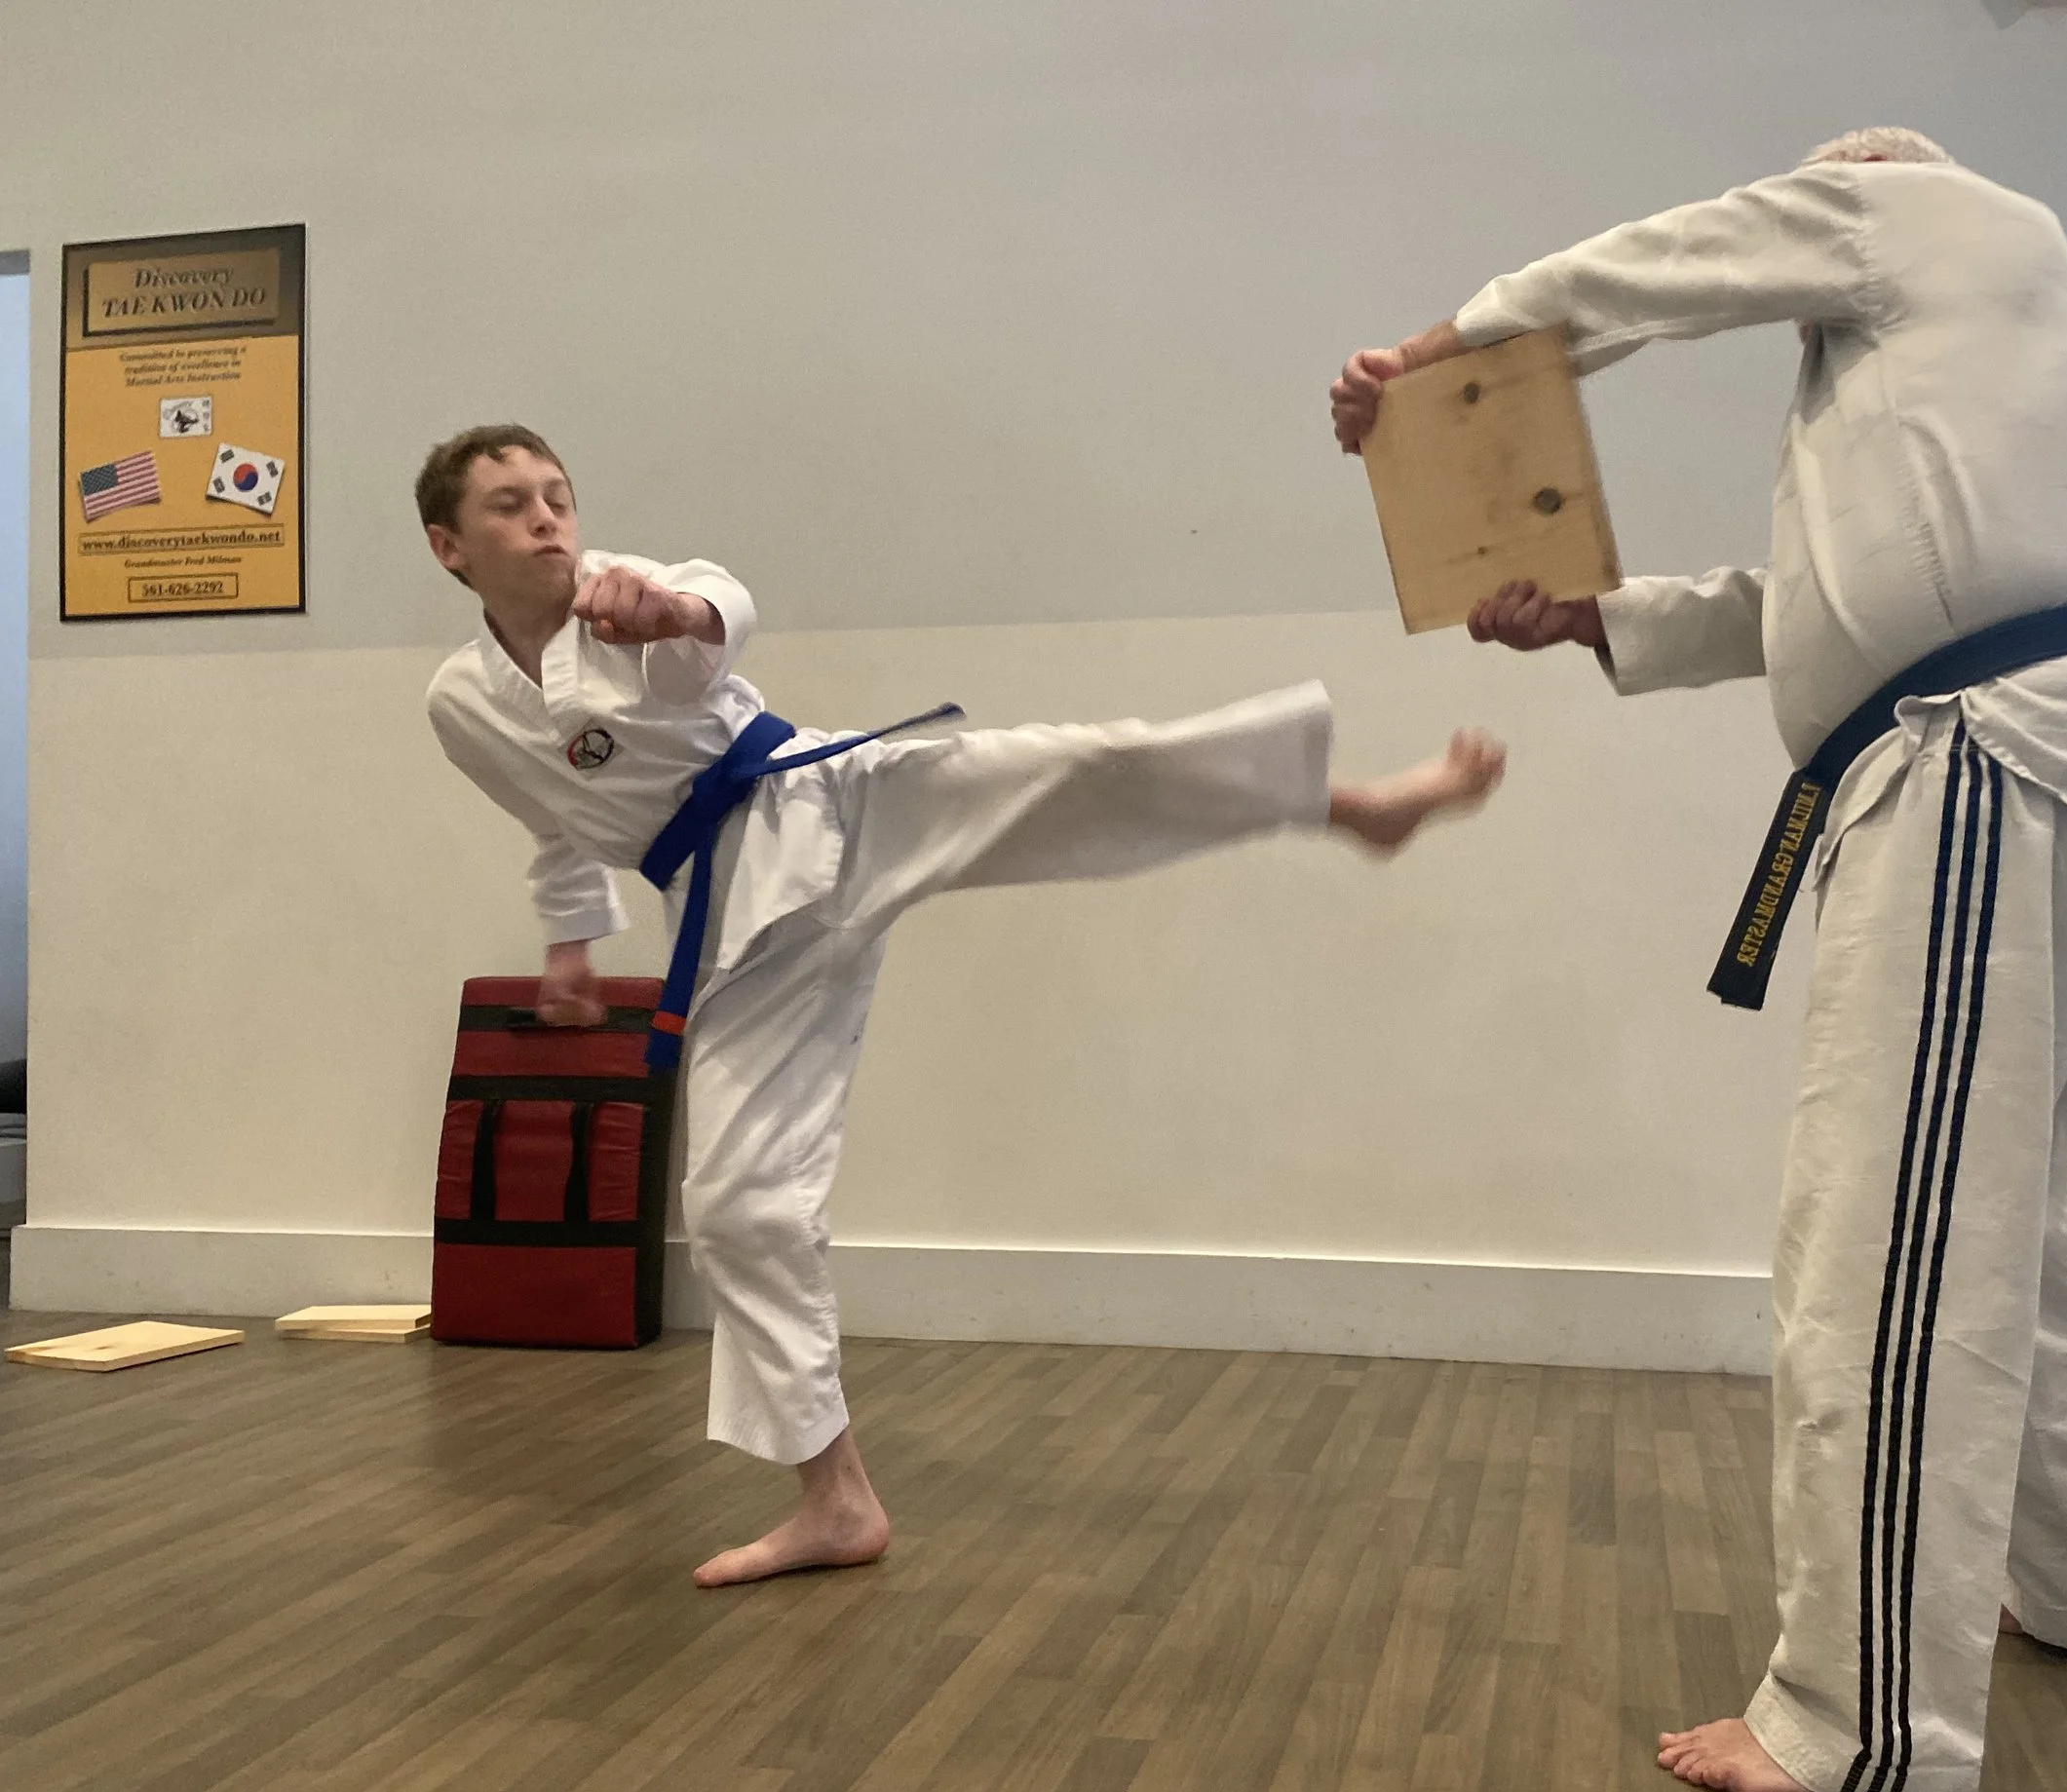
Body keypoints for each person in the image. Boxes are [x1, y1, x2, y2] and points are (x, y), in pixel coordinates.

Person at [1331, 128, 2067, 1792]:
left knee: (1885, 1258)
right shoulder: (1967, 378)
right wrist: (1599, 620)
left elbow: (1681, 257)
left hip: (1975, 773)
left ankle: (1862, 1720)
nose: (1816, 203)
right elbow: (1807, 603)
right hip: (2066, 774)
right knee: (2034, 1238)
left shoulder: (1925, 204)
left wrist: (1459, 352)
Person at [417, 424, 1506, 1588]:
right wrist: (571, 940)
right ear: (449, 547)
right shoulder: (461, 706)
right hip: (733, 916)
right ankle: (836, 1503)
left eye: (558, 496)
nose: (547, 520)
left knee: (1078, 766)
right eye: (508, 506)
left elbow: (716, 611)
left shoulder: (622, 597)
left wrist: (674, 614)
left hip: (826, 799)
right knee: (737, 1207)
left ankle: (1353, 807)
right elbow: (548, 814)